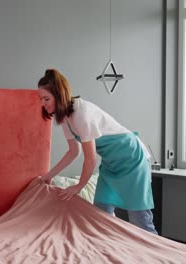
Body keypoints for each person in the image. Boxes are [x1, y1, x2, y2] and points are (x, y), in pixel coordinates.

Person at [38, 69, 157, 234]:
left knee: (140, 220)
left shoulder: (81, 113)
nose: (42, 103)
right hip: (111, 164)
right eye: (41, 99)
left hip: (132, 159)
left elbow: (91, 159)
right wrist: (49, 175)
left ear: (59, 95)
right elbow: (73, 152)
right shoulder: (65, 118)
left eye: (46, 98)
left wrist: (79, 186)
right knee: (100, 215)